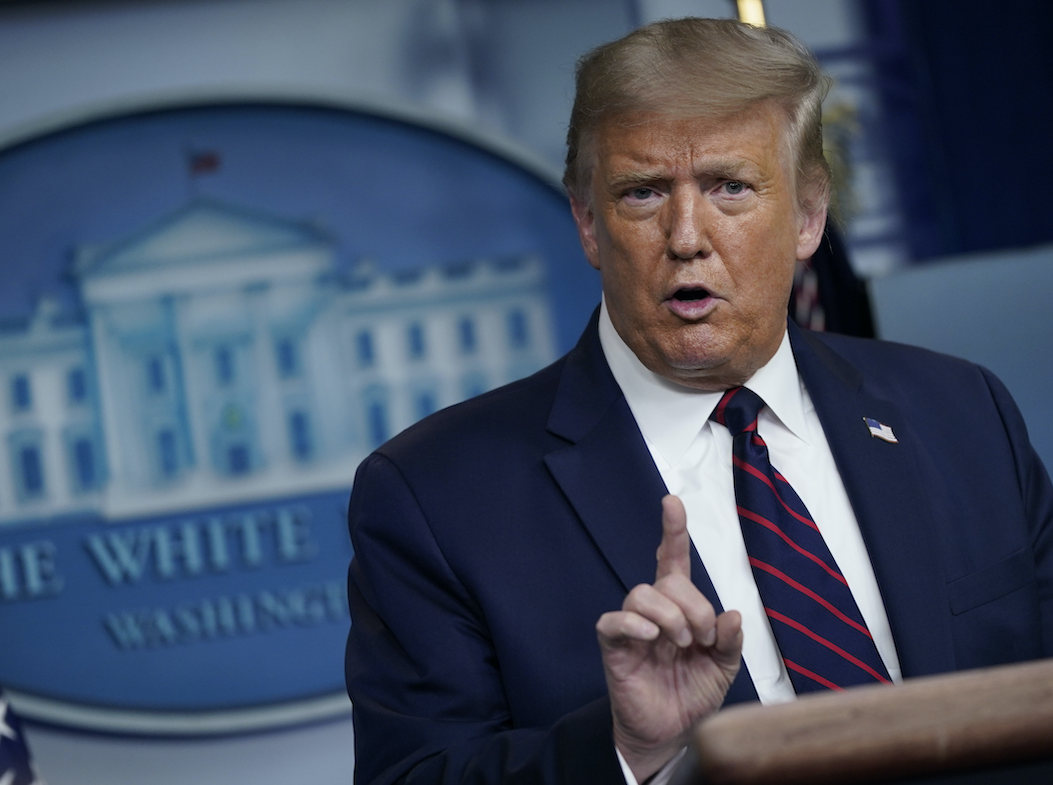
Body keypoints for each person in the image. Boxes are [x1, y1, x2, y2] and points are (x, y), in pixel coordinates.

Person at [345, 17, 1053, 785]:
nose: (687, 236)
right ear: (587, 222)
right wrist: (628, 749)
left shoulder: (961, 410)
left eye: (731, 186)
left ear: (810, 215)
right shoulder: (436, 496)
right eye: (642, 193)